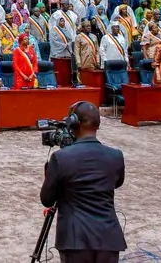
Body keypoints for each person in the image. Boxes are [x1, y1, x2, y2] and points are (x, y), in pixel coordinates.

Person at [39, 101, 126, 263]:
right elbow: (117, 183)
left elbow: (47, 199)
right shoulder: (116, 156)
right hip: (109, 238)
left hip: (74, 240)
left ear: (73, 123)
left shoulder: (61, 158)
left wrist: (51, 175)